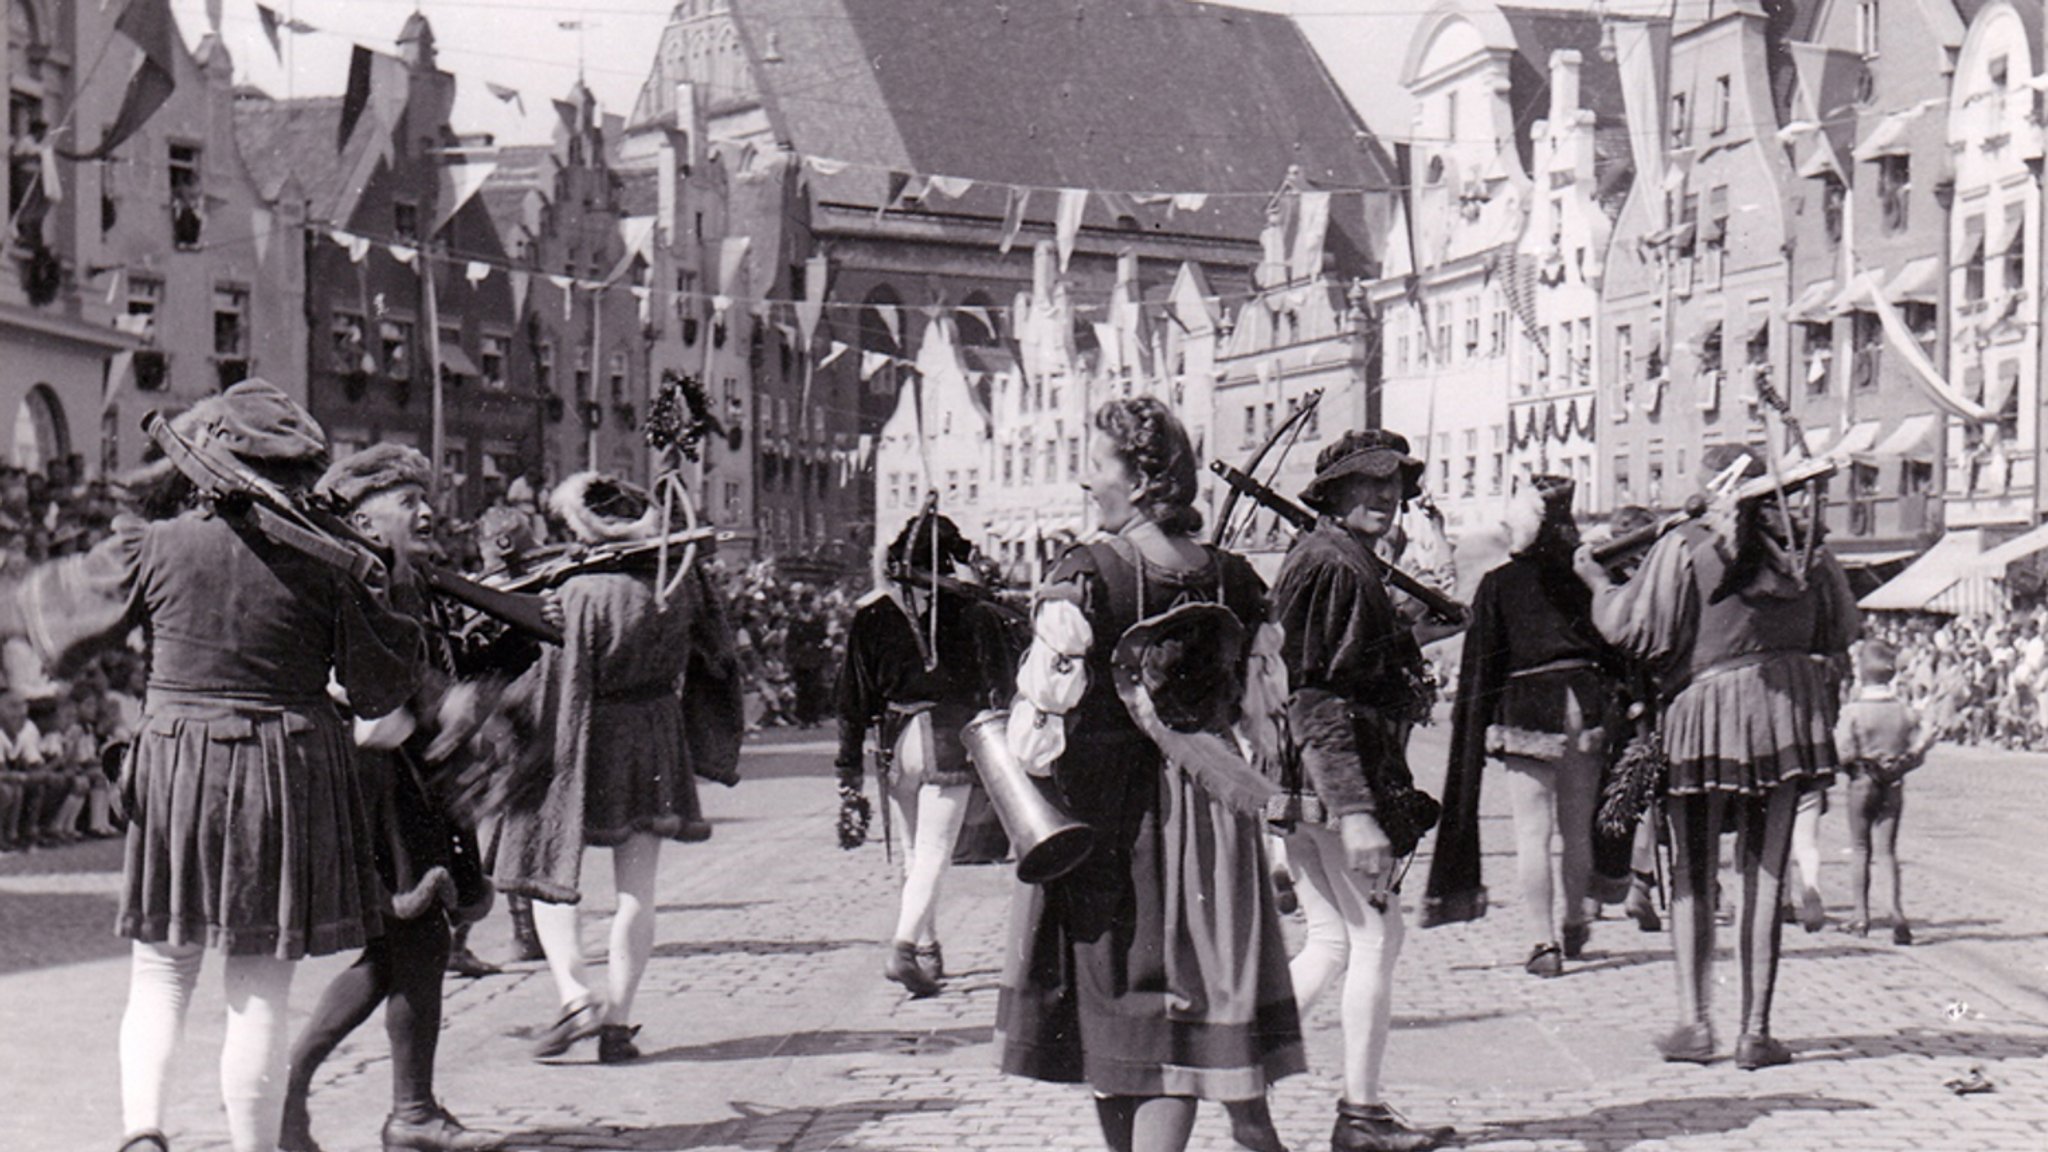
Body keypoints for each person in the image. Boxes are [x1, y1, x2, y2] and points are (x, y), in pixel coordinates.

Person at [0, 379, 424, 1152]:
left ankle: (143, 1134)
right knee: (258, 989)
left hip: (176, 763)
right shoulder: (335, 564)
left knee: (161, 973)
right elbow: (381, 688)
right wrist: (388, 583)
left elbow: (52, 625)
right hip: (285, 771)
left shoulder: (153, 543)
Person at [997, 396, 1301, 1152]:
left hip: (1109, 822)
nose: (1083, 481)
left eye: (1096, 464)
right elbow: (1263, 720)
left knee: (1123, 1021)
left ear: (1136, 481)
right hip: (1208, 823)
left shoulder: (1087, 576)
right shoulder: (1234, 576)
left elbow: (1034, 743)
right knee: (1180, 1026)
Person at [1573, 443, 1858, 1069]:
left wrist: (1599, 584)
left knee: (1693, 875)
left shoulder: (1687, 545)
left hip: (1703, 717)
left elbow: (1634, 631)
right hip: (1786, 716)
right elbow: (1839, 631)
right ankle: (1755, 1032)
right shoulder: (1812, 551)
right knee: (1766, 876)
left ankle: (1695, 1023)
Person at [280, 446, 507, 1152]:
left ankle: (344, 1104)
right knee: (413, 941)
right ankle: (395, 1113)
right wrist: (448, 703)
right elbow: (369, 680)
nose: (427, 510)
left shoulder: (397, 576)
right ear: (363, 515)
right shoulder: (355, 575)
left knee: (404, 949)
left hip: (401, 776)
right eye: (408, 499)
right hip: (370, 780)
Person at [492, 472, 742, 1064]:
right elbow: (721, 658)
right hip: (654, 729)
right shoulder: (678, 582)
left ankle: (576, 994)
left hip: (582, 729)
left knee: (547, 866)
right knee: (638, 890)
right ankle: (618, 1023)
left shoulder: (575, 592)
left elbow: (555, 679)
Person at [1272, 430, 1455, 1152]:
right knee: (1378, 936)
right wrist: (1355, 813)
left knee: (1328, 941)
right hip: (1333, 784)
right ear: (1335, 492)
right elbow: (1315, 694)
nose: (1386, 495)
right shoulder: (1334, 567)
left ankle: (1233, 1059)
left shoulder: (1340, 559)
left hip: (1309, 780)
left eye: (1395, 484)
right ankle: (1362, 1115)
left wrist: (1411, 639)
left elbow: (1344, 662)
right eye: (1369, 484)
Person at [1430, 475, 1621, 978]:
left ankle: (1543, 942)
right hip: (1584, 701)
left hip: (1527, 706)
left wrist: (1480, 718)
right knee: (1577, 828)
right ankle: (1577, 915)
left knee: (1532, 833)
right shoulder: (1588, 574)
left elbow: (1483, 663)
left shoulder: (1499, 581)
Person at [835, 512, 1022, 997]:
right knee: (935, 853)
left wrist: (848, 769)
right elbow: (1001, 683)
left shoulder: (872, 615)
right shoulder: (972, 613)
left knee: (917, 853)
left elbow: (852, 700)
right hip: (947, 737)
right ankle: (902, 946)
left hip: (896, 743)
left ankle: (928, 947)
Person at [1834, 639, 1933, 944]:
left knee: (1860, 849)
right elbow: (1926, 734)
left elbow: (1842, 752)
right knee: (1887, 852)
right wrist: (1910, 755)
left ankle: (1860, 916)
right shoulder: (1903, 711)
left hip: (1862, 783)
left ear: (1862, 674)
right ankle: (1896, 913)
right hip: (1893, 784)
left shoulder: (1853, 711)